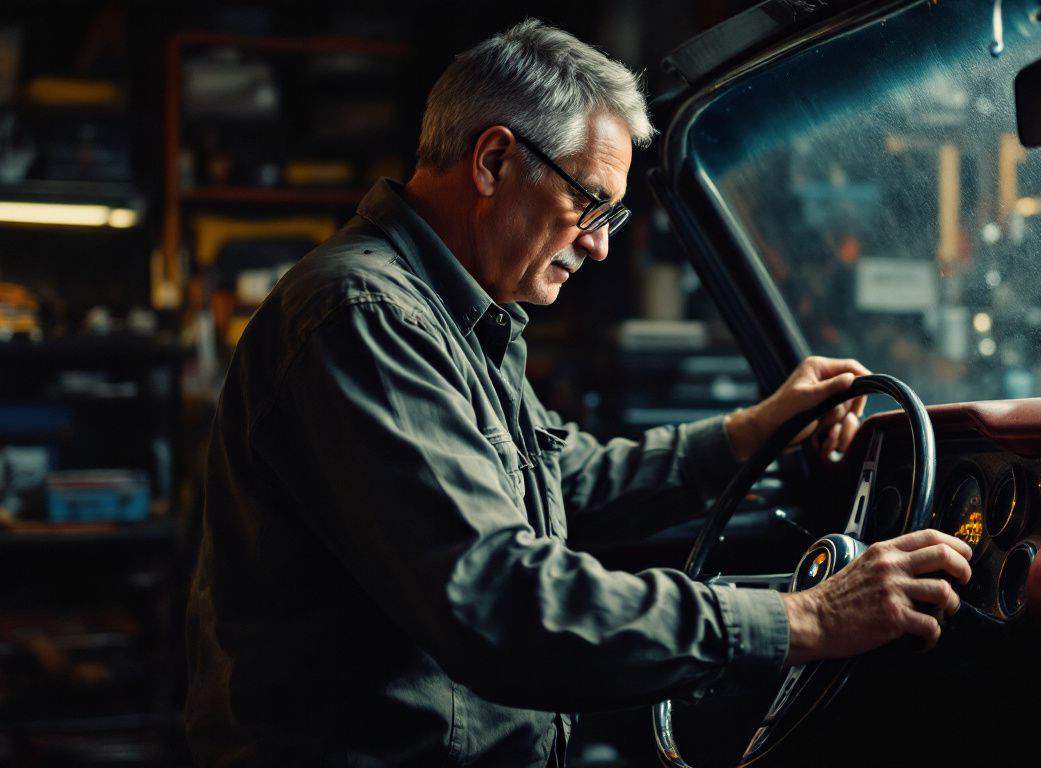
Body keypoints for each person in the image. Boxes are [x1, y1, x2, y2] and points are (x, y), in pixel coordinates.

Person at [185, 20, 972, 767]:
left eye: (613, 215)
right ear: (493, 161)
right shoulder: (364, 317)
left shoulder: (462, 316)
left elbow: (561, 483)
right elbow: (500, 602)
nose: (598, 243)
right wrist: (807, 618)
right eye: (590, 203)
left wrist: (749, 433)